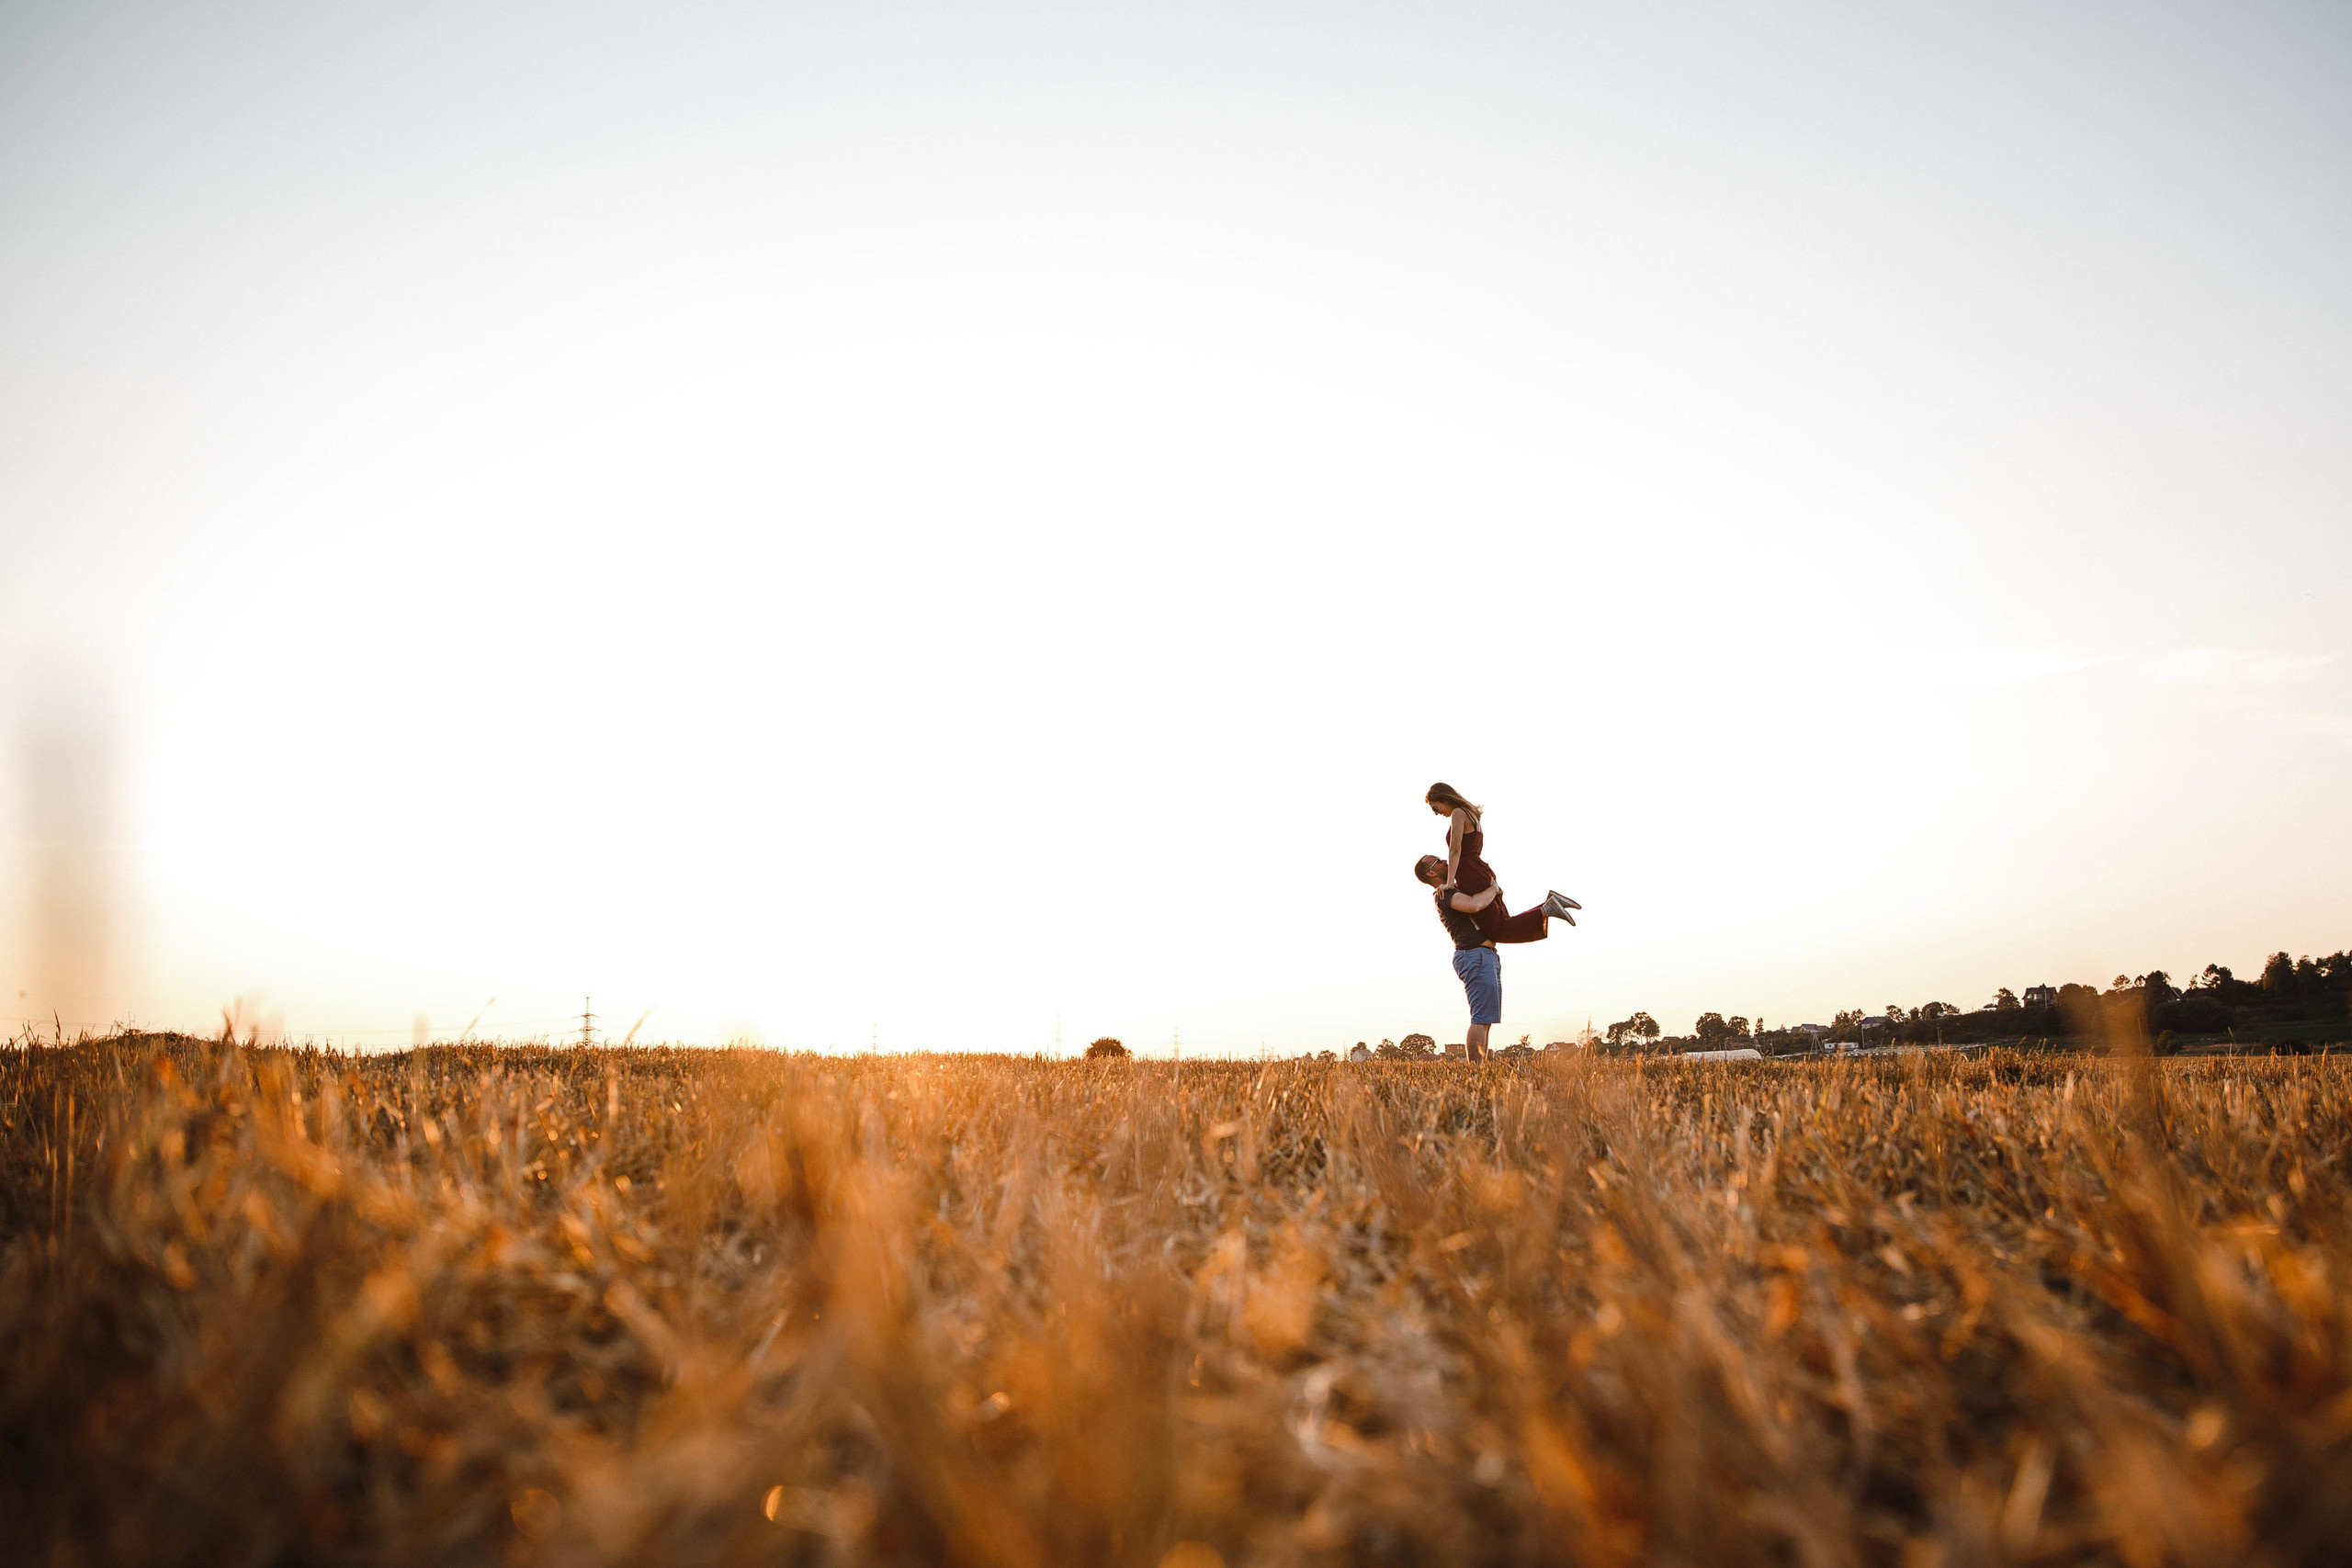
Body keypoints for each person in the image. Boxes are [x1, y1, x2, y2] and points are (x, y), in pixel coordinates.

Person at [1415, 853, 1577, 1061]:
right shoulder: (1443, 894)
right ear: (1431, 872)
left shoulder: (1453, 889)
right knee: (1480, 1018)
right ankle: (1475, 1071)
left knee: (1486, 1019)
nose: (1446, 861)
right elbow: (1474, 905)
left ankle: (1547, 908)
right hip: (1474, 955)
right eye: (1439, 861)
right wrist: (1493, 889)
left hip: (1483, 956)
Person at [1424, 783, 1578, 944]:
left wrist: (1449, 883)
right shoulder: (1472, 815)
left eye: (1435, 808)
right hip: (1479, 870)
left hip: (1470, 873)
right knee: (1503, 921)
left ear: (1444, 799)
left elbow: (1455, 850)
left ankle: (1548, 908)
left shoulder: (1458, 813)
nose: (1436, 813)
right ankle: (1548, 905)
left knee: (1498, 930)